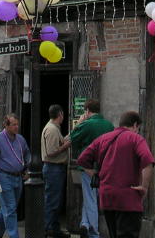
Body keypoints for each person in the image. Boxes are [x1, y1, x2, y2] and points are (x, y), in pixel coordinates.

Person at [77, 111, 155, 238]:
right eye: (138, 128)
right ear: (135, 125)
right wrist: (144, 187)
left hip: (107, 198)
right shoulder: (136, 139)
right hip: (128, 199)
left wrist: (94, 175)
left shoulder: (103, 139)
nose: (138, 131)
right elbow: (148, 162)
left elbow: (82, 159)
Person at [68, 99, 114, 238]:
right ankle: (85, 224)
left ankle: (94, 232)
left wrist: (80, 123)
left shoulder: (87, 124)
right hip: (105, 168)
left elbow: (72, 138)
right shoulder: (109, 125)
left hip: (88, 168)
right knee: (91, 198)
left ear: (87, 111)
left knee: (90, 199)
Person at [0, 113, 31, 238]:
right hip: (3, 177)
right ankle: (14, 235)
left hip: (18, 177)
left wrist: (27, 169)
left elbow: (27, 154)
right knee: (10, 209)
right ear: (6, 125)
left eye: (17, 124)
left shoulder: (20, 139)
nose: (17, 127)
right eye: (13, 125)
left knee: (7, 208)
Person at [42, 104, 71, 238]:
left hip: (55, 168)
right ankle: (48, 229)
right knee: (52, 200)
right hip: (53, 168)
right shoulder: (52, 129)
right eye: (62, 115)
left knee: (55, 200)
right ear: (59, 114)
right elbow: (51, 152)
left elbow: (60, 142)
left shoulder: (53, 128)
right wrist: (66, 146)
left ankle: (54, 228)